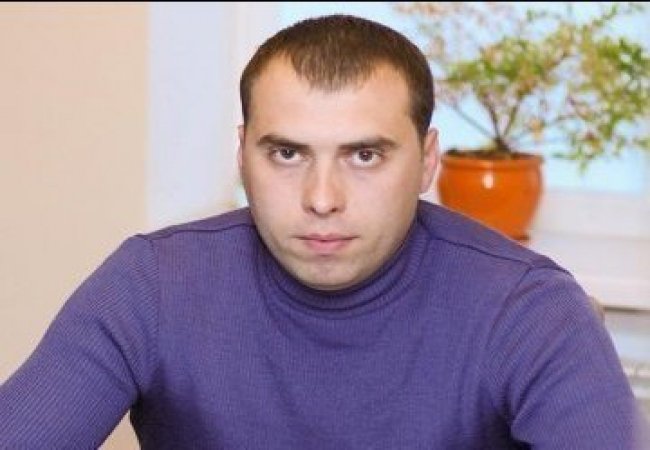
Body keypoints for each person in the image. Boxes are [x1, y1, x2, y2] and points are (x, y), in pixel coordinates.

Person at [0, 14, 647, 449]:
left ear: (427, 161)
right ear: (242, 154)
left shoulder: (531, 310)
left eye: (365, 155)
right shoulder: (151, 284)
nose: (321, 199)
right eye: (287, 154)